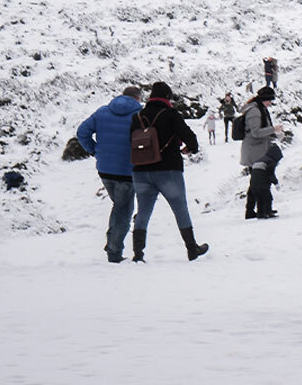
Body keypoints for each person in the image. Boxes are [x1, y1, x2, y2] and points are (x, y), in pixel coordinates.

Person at [128, 81, 208, 262]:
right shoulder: (171, 114)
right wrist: (190, 149)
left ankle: (138, 254)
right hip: (168, 169)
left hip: (141, 171)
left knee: (143, 212)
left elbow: (130, 142)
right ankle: (192, 249)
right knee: (180, 209)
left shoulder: (137, 117)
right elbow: (190, 138)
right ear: (167, 97)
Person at [75, 85, 143, 263]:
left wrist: (94, 151)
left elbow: (82, 132)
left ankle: (112, 241)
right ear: (138, 98)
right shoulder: (140, 114)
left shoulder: (103, 112)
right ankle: (114, 251)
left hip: (104, 169)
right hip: (127, 170)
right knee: (124, 211)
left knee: (119, 206)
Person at [241, 86, 284, 219]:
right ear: (264, 99)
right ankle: (261, 210)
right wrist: (273, 129)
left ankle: (256, 210)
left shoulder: (260, 108)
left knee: (256, 183)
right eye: (269, 100)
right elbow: (255, 132)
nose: (270, 103)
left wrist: (274, 132)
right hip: (254, 150)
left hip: (258, 149)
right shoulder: (254, 111)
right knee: (259, 182)